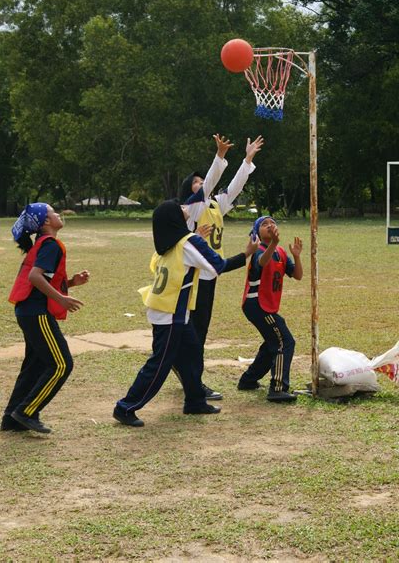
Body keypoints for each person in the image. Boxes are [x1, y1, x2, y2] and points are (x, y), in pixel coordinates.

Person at [113, 199, 258, 428]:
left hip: (170, 310)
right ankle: (126, 407)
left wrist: (196, 236)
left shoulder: (168, 244)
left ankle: (194, 401)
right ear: (174, 218)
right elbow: (218, 266)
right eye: (180, 209)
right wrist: (246, 253)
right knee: (160, 364)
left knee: (192, 353)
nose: (185, 209)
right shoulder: (188, 242)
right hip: (171, 313)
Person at [179, 135, 264, 400]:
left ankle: (184, 370)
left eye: (202, 181)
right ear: (189, 191)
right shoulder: (191, 208)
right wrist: (219, 156)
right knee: (196, 330)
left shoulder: (215, 205)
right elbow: (212, 183)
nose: (202, 184)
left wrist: (247, 159)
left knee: (196, 329)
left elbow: (234, 186)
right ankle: (194, 381)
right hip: (194, 275)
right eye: (197, 182)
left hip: (211, 273)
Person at [1, 203, 90, 434]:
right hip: (35, 313)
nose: (59, 214)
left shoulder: (43, 244)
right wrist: (61, 298)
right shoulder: (50, 245)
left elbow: (44, 279)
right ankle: (26, 411)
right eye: (54, 212)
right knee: (62, 364)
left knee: (35, 365)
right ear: (46, 222)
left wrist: (71, 283)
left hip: (27, 311)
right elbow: (35, 277)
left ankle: (11, 419)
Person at [238, 216, 303, 402]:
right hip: (256, 304)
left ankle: (248, 380)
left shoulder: (281, 252)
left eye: (272, 223)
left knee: (272, 342)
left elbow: (297, 275)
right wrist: (273, 243)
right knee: (285, 341)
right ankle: (277, 388)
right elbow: (262, 262)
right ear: (256, 232)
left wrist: (297, 256)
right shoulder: (258, 251)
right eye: (264, 224)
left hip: (266, 305)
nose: (270, 226)